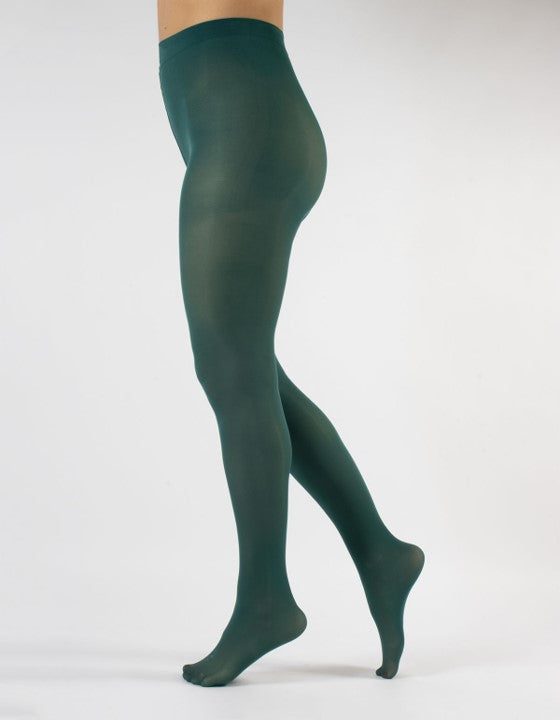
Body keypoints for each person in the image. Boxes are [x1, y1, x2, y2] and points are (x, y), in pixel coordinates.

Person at [157, 0, 425, 687]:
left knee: (230, 366)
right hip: (234, 119)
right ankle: (381, 553)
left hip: (246, 123)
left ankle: (266, 600)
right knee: (245, 367)